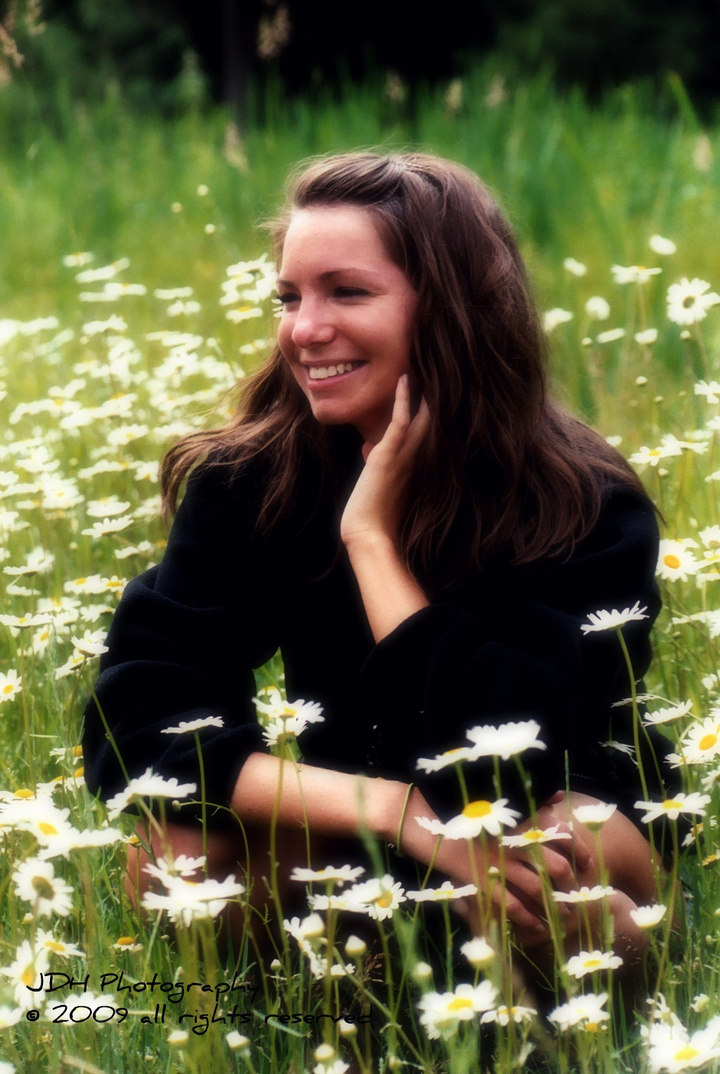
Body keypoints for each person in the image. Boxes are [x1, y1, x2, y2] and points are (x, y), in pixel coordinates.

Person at [83, 151, 674, 966]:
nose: (304, 329)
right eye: (289, 297)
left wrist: (374, 544)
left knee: (552, 852)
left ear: (453, 311)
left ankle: (585, 1001)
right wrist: (399, 813)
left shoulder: (586, 504)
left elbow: (505, 764)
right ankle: (350, 997)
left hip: (547, 816)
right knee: (169, 858)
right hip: (364, 821)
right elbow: (137, 729)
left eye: (347, 292)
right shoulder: (253, 480)